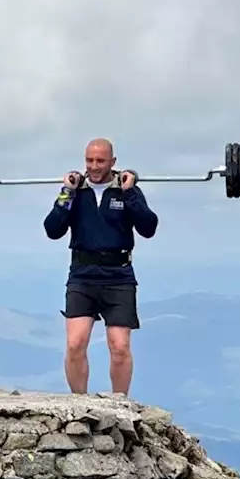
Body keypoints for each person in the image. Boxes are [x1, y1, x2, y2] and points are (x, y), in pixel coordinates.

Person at [44, 137, 158, 395]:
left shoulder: (126, 190)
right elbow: (52, 230)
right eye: (89, 160)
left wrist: (130, 194)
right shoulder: (75, 191)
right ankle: (79, 403)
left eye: (100, 161)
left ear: (112, 162)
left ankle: (120, 403)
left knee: (119, 347)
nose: (94, 166)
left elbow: (148, 228)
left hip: (118, 275)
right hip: (82, 275)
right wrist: (67, 193)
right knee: (75, 344)